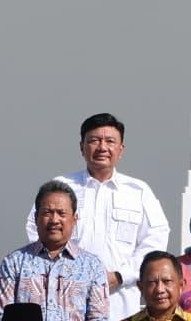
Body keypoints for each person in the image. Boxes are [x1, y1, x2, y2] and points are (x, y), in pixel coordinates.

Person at [0, 181, 122, 321]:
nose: (54, 220)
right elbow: (3, 318)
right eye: (47, 212)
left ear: (75, 218)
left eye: (62, 213)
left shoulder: (92, 266)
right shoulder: (14, 262)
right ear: (36, 218)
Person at [63, 112, 174, 290]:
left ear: (121, 150)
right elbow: (37, 230)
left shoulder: (139, 191)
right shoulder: (61, 189)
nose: (102, 147)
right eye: (94, 140)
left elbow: (156, 238)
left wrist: (121, 275)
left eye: (110, 141)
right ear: (81, 147)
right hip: (68, 292)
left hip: (120, 299)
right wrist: (65, 270)